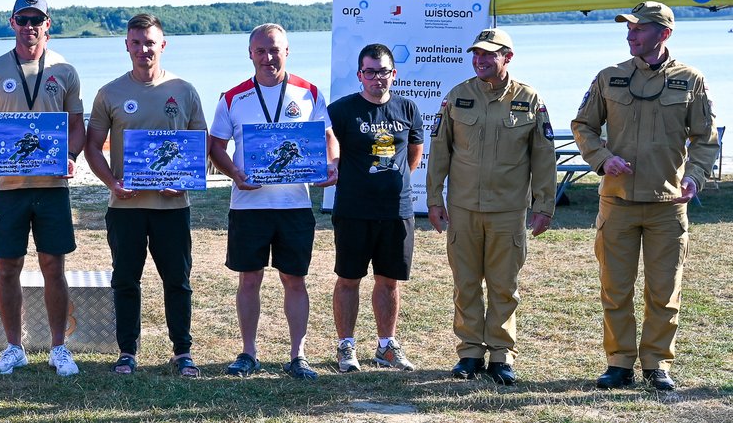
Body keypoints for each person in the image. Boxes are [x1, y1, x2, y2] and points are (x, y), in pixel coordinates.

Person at [572, 2, 717, 392]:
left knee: (664, 291)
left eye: (639, 29)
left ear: (663, 34)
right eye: (629, 28)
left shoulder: (690, 80)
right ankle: (619, 363)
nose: (630, 35)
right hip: (617, 203)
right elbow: (583, 125)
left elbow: (705, 140)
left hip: (667, 206)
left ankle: (657, 364)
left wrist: (695, 177)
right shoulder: (609, 77)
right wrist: (602, 158)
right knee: (615, 289)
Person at [207, 24, 337, 379]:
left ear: (287, 51)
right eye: (261, 51)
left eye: (275, 50)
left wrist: (333, 163)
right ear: (250, 54)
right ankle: (248, 353)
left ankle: (298, 355)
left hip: (294, 205)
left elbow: (328, 136)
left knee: (294, 280)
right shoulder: (233, 97)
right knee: (249, 280)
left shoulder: (308, 92)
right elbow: (216, 146)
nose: (268, 58)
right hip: (248, 205)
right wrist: (235, 174)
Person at [427, 28, 556, 386]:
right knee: (466, 284)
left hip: (508, 210)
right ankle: (469, 352)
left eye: (488, 54)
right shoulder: (458, 96)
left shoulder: (529, 99)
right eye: (476, 54)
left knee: (503, 286)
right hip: (464, 209)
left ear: (507, 57)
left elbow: (544, 156)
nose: (480, 60)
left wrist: (544, 205)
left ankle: (501, 354)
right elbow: (439, 151)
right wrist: (434, 199)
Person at [85, 13, 207, 377]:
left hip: (173, 206)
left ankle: (182, 351)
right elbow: (92, 147)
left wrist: (185, 180)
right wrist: (112, 182)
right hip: (126, 207)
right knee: (125, 280)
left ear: (163, 45)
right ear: (126, 45)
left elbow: (200, 144)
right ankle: (127, 352)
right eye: (136, 43)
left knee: (177, 281)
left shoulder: (184, 90)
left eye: (150, 42)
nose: (143, 50)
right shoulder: (110, 93)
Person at [0, 0, 85, 376]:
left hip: (52, 186)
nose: (30, 26)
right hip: (8, 187)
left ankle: (58, 348)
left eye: (37, 20)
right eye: (23, 19)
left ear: (47, 24)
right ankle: (14, 347)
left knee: (54, 266)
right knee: (8, 268)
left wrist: (71, 155)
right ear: (12, 23)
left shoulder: (64, 70)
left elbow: (76, 126)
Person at [327, 43, 424, 373]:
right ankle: (346, 346)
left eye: (383, 72)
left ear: (393, 74)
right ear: (360, 75)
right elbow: (330, 148)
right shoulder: (341, 111)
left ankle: (386, 346)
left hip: (397, 212)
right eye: (370, 72)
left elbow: (413, 153)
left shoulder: (407, 108)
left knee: (389, 281)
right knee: (348, 279)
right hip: (353, 211)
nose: (376, 78)